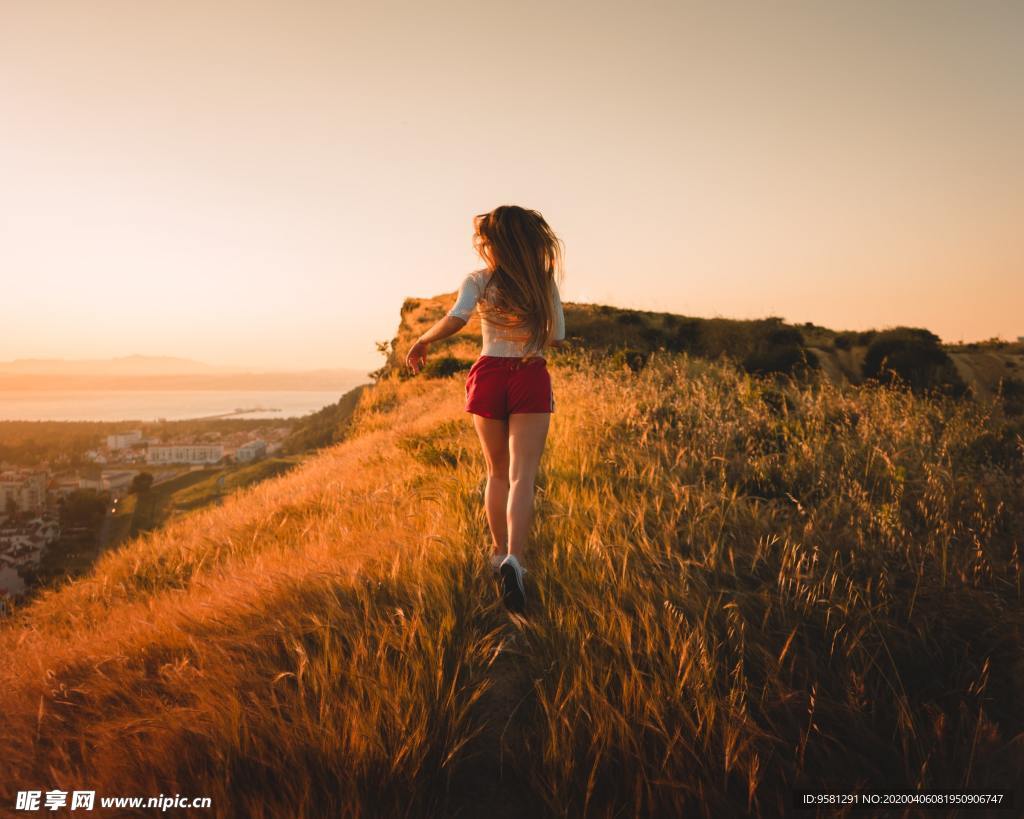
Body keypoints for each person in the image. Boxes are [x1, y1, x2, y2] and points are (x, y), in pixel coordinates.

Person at [405, 205, 567, 612]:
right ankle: (517, 558)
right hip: (530, 372)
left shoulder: (478, 280)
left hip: (489, 372)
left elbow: (456, 318)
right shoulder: (541, 282)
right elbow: (558, 337)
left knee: (496, 473)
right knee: (522, 475)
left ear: (490, 242)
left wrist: (423, 340)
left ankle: (497, 555)